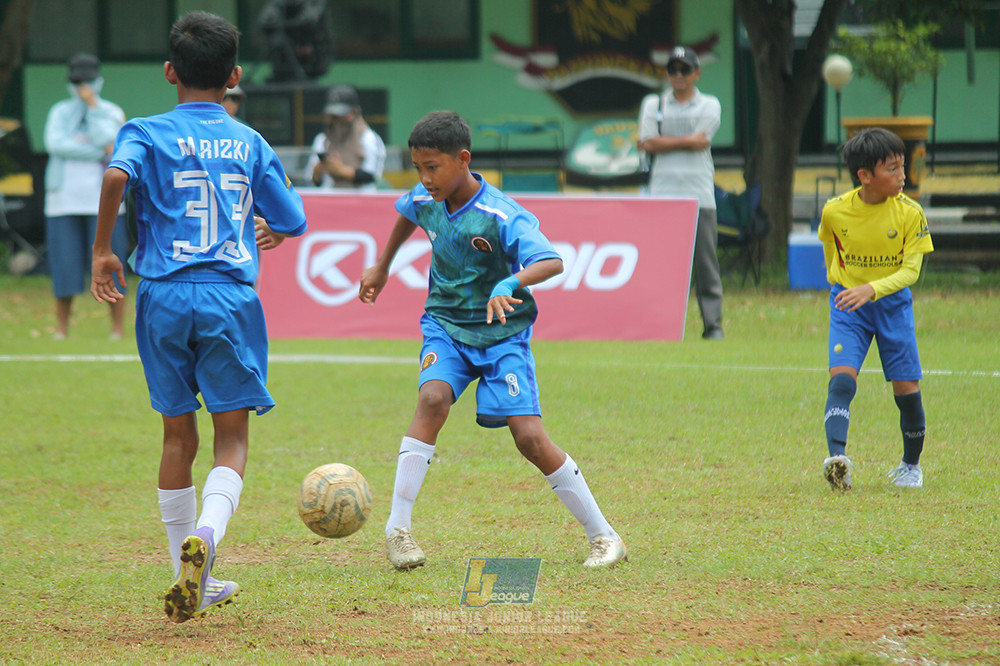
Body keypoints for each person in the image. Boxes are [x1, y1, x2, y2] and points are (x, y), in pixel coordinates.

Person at [90, 11, 307, 622]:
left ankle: (189, 573)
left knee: (175, 435)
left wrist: (105, 249)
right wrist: (270, 228)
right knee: (231, 437)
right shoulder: (250, 141)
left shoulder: (144, 129)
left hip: (161, 295)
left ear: (169, 72)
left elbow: (114, 175)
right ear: (235, 76)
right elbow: (291, 219)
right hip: (226, 297)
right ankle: (206, 543)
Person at [359, 111, 626, 570]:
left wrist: (509, 284)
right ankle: (397, 531)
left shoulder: (500, 213)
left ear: (463, 160)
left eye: (432, 167)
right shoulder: (426, 196)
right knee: (433, 399)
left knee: (529, 439)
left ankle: (604, 535)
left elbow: (550, 260)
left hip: (503, 335)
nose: (423, 179)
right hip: (444, 325)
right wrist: (382, 265)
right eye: (418, 168)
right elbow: (407, 213)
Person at [818, 127, 933, 491]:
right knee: (841, 379)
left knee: (906, 389)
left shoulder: (910, 213)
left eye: (902, 167)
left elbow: (911, 271)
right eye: (893, 169)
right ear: (865, 176)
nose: (903, 176)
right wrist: (842, 286)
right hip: (849, 304)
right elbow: (830, 252)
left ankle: (911, 466)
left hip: (892, 306)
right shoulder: (835, 212)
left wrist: (872, 289)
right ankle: (838, 460)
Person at [637, 45, 724, 340]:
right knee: (661, 266)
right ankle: (661, 325)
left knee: (706, 264)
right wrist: (685, 141)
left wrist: (662, 141)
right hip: (662, 194)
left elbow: (702, 140)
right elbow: (647, 142)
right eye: (673, 70)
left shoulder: (709, 103)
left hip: (700, 193)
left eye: (685, 70)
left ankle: (713, 326)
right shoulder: (654, 103)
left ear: (696, 73)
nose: (678, 75)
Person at [43, 52, 131, 339]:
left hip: (103, 201)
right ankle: (62, 329)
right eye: (77, 81)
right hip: (63, 200)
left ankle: (117, 328)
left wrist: (92, 107)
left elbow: (111, 141)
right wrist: (97, 151)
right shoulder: (59, 111)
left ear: (98, 81)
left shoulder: (111, 111)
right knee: (64, 265)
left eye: (88, 81)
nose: (82, 87)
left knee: (111, 263)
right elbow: (55, 145)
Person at [305, 84, 386, 191]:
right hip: (329, 201)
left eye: (342, 115)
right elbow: (313, 180)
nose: (338, 119)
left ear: (354, 112)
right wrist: (319, 170)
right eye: (334, 115)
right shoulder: (322, 140)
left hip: (362, 201)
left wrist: (341, 171)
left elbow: (372, 175)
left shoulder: (369, 137)